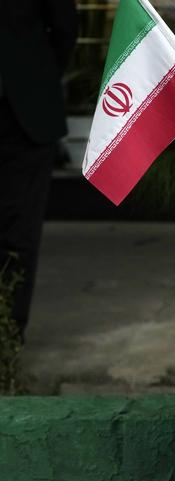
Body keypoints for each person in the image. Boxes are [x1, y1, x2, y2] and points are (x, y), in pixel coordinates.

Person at [0, 1, 78, 339]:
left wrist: (33, 79)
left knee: (19, 234)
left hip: (23, 116)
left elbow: (65, 29)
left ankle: (8, 343)